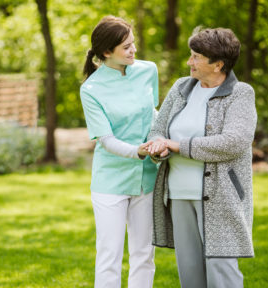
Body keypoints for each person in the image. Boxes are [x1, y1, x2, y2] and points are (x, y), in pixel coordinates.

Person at [147, 27, 257, 288]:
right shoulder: (181, 87)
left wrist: (176, 145)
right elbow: (158, 129)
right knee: (190, 272)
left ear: (218, 64)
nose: (189, 62)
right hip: (178, 194)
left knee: (222, 272)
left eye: (196, 57)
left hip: (222, 197)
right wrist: (158, 146)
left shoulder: (240, 93)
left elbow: (233, 143)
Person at [79, 16, 159, 288]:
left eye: (133, 44)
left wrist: (158, 143)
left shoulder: (148, 71)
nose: (133, 50)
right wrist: (138, 151)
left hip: (146, 178)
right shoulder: (91, 89)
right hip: (110, 182)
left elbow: (153, 116)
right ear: (106, 52)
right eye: (126, 47)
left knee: (144, 254)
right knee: (109, 256)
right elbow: (106, 139)